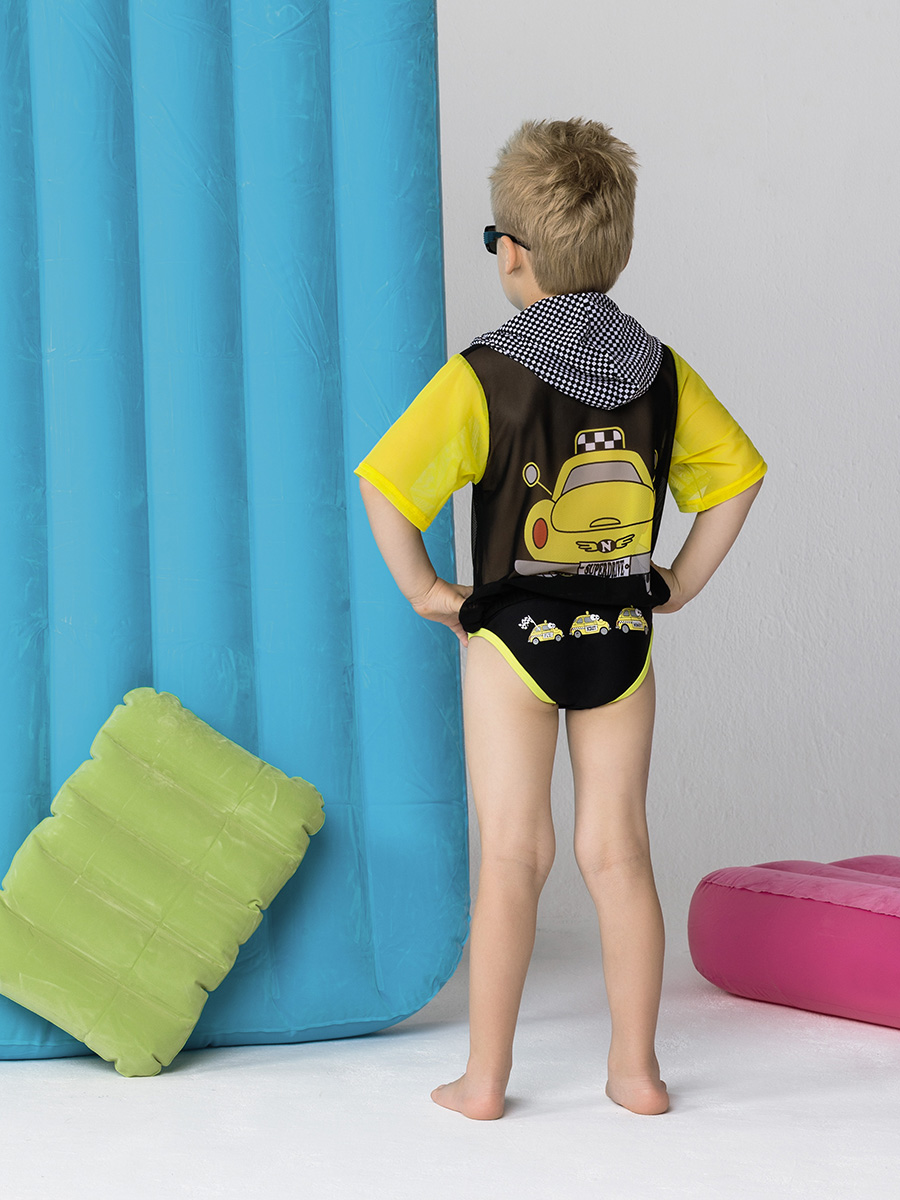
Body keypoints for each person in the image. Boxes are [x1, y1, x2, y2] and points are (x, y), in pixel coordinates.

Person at [355, 119, 766, 1120]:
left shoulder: (483, 375)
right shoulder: (659, 370)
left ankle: (484, 1083)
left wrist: (428, 593)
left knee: (513, 854)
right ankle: (637, 1074)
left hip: (512, 643)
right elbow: (739, 477)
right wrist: (678, 582)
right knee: (618, 854)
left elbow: (386, 483)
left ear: (512, 254)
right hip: (623, 642)